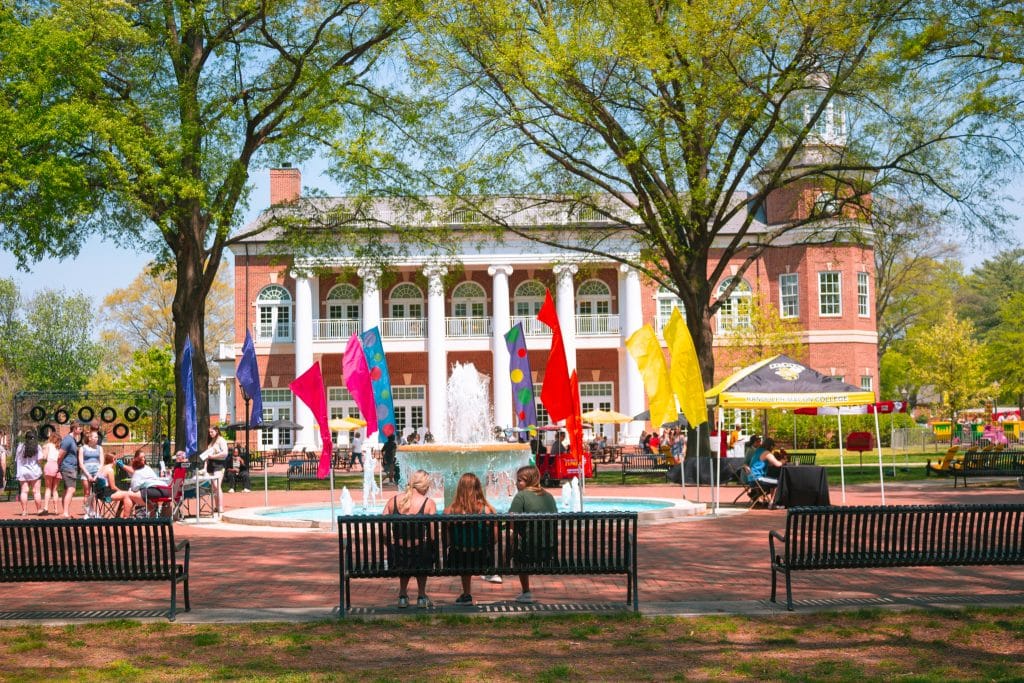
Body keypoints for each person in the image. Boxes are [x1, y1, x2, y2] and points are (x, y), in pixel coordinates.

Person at [382, 469, 437, 609]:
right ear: (424, 486)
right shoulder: (428, 503)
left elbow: (383, 530)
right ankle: (421, 596)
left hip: (398, 556)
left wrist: (390, 546)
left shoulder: (393, 501)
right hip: (420, 555)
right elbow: (433, 535)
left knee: (406, 553)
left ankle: (402, 595)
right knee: (424, 550)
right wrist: (433, 549)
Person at [444, 473, 497, 606]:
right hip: (483, 557)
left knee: (462, 552)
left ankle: (466, 594)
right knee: (472, 551)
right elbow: (495, 539)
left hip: (458, 558)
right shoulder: (488, 510)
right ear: (478, 488)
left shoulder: (449, 511)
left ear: (459, 489)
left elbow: (447, 541)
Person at [508, 464, 557, 604]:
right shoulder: (549, 496)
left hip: (528, 553)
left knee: (515, 546)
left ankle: (526, 591)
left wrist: (512, 534)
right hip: (549, 551)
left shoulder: (521, 496)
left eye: (520, 480)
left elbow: (511, 518)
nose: (517, 483)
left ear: (529, 481)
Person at [198, 426, 229, 515]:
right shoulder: (211, 442)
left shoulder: (221, 440)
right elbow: (207, 456)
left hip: (219, 465)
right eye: (209, 432)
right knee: (213, 487)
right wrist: (205, 467)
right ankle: (216, 506)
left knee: (217, 486)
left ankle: (221, 507)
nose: (210, 434)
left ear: (217, 431)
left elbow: (225, 453)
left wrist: (214, 456)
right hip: (210, 465)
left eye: (212, 432)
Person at [95, 451, 134, 517]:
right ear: (113, 460)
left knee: (125, 493)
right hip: (106, 495)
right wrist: (121, 491)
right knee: (129, 495)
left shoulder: (101, 468)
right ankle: (127, 516)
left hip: (99, 493)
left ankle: (118, 514)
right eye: (116, 459)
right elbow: (113, 487)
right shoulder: (110, 470)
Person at [58, 422, 84, 518]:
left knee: (66, 490)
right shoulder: (68, 440)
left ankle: (66, 511)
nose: (81, 430)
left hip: (71, 467)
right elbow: (60, 455)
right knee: (71, 489)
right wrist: (58, 466)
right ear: (74, 428)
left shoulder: (72, 439)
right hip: (68, 467)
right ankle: (65, 512)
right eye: (79, 428)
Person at [15, 430, 43, 516]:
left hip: (22, 471)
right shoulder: (37, 447)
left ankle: (24, 511)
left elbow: (17, 460)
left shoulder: (20, 447)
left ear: (25, 438)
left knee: (24, 491)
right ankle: (38, 510)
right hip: (34, 471)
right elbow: (40, 460)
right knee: (36, 492)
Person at [78, 429, 104, 517]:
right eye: (95, 437)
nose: (97, 438)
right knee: (87, 493)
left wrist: (97, 475)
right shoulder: (82, 448)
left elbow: (102, 462)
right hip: (86, 473)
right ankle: (88, 512)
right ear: (90, 438)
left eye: (97, 437)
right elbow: (81, 464)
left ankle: (94, 511)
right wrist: (88, 475)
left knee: (95, 493)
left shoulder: (100, 448)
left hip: (97, 473)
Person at [40, 429, 62, 515]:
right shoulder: (59, 447)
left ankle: (45, 508)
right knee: (55, 490)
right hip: (57, 466)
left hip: (49, 465)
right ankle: (56, 509)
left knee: (48, 488)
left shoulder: (48, 445)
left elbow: (44, 457)